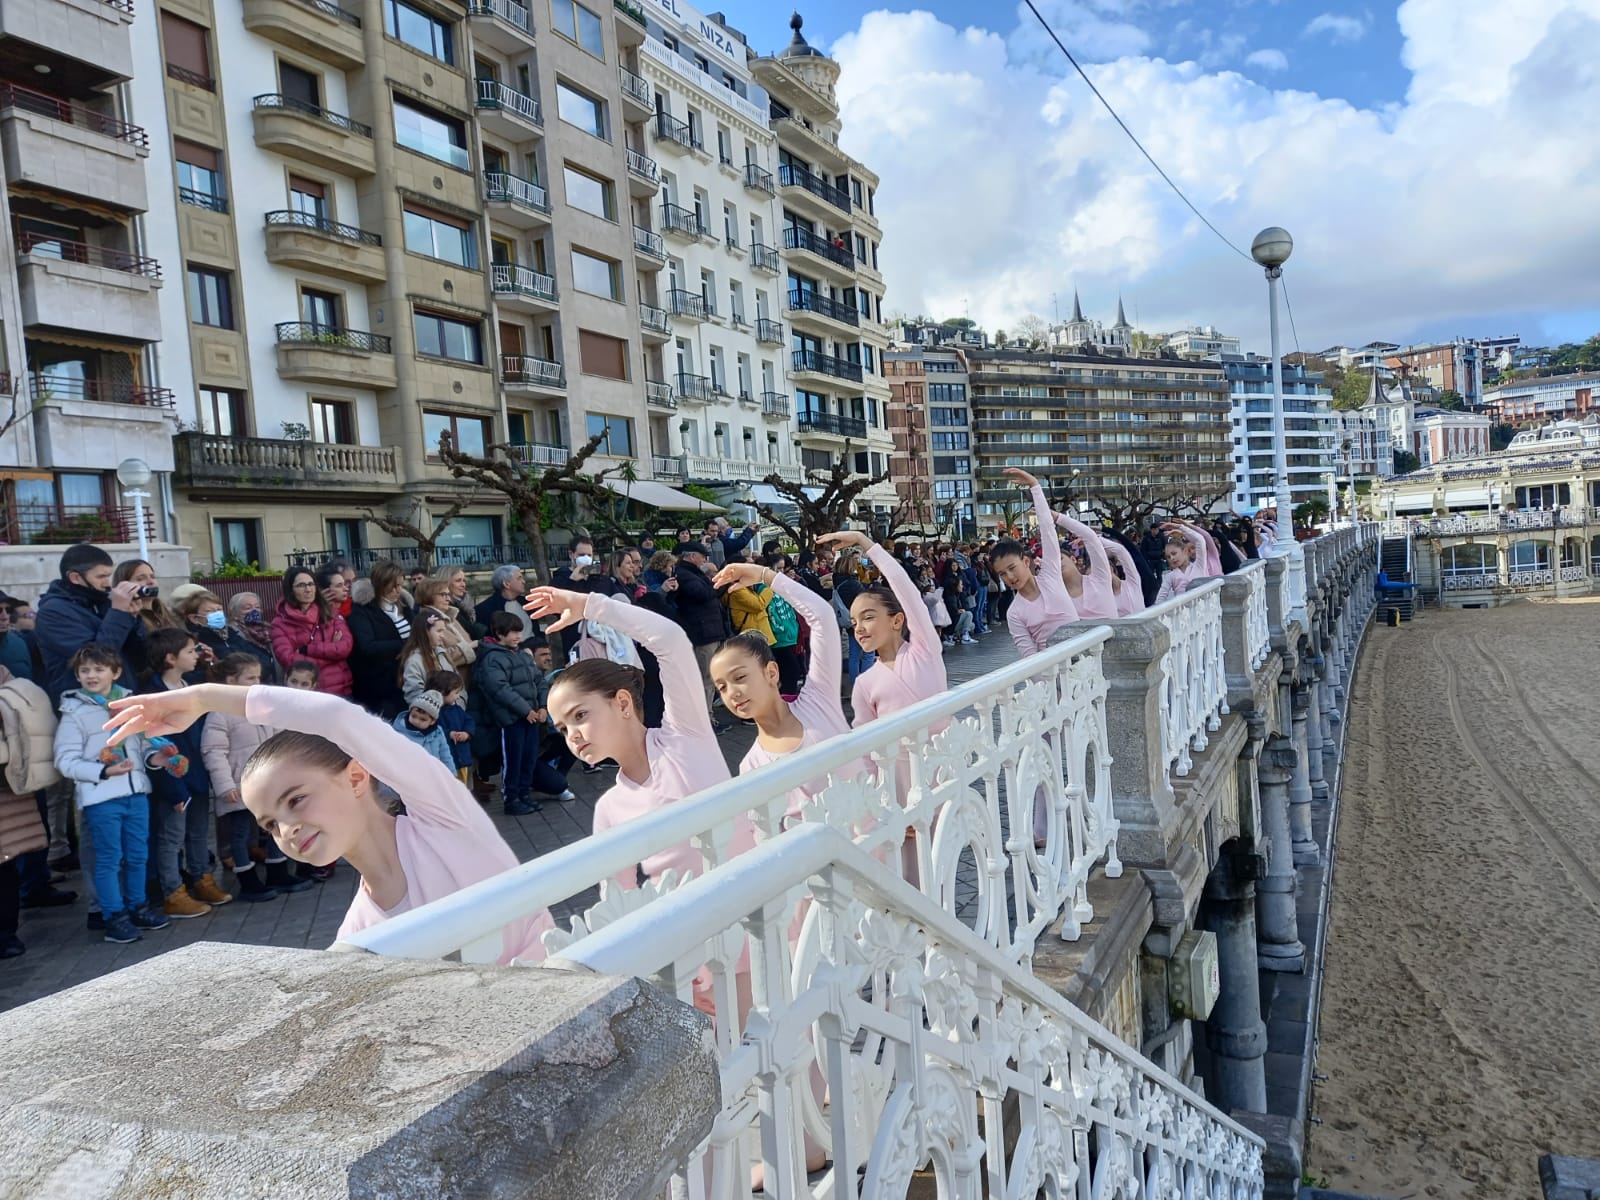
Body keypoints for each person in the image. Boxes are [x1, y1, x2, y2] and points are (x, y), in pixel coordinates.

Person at [106, 682, 556, 964]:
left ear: (357, 777)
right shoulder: (357, 933)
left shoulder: (445, 820)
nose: (287, 830)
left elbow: (337, 718)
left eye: (296, 800)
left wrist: (203, 698)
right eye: (270, 824)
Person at [532, 587, 757, 912]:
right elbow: (617, 898)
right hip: (691, 933)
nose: (573, 735)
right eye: (563, 729)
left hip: (763, 918)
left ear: (623, 702)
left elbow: (671, 641)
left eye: (580, 715)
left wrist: (589, 605)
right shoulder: (609, 809)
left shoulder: (684, 737)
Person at [711, 562, 857, 822]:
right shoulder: (751, 765)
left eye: (740, 677)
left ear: (771, 672)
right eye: (721, 687)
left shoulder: (818, 701)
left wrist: (765, 575)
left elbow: (822, 617)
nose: (732, 692)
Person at [53, 644, 175, 944]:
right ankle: (114, 916)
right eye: (84, 670)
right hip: (101, 798)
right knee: (109, 859)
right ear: (77, 676)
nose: (91, 675)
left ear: (116, 672)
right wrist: (104, 771)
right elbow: (65, 761)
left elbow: (141, 746)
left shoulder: (130, 705)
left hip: (136, 793)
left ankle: (138, 907)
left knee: (138, 855)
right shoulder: (74, 711)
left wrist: (156, 759)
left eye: (99, 669)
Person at [200, 653, 311, 902]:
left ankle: (277, 871)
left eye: (258, 677)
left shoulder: (261, 707)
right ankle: (247, 879)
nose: (257, 682)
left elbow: (279, 739)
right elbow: (214, 751)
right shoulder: (219, 713)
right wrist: (225, 786)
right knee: (240, 833)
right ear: (231, 681)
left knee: (274, 825)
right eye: (250, 678)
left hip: (268, 783)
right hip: (238, 785)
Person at [143, 627, 227, 917]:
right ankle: (173, 892)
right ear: (170, 658)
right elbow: (159, 746)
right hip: (174, 780)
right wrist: (174, 787)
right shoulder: (154, 697)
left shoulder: (192, 685)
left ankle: (202, 877)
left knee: (199, 832)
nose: (195, 656)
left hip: (198, 774)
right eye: (190, 651)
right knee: (172, 836)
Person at [36, 543, 145, 705]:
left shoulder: (99, 602)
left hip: (118, 695)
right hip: (83, 704)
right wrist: (119, 613)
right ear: (75, 578)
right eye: (101, 577)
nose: (107, 583)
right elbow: (94, 658)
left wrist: (133, 619)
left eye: (108, 576)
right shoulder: (53, 612)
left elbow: (137, 656)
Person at [477, 613, 558, 816]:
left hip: (532, 717)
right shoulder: (492, 658)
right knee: (513, 760)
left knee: (529, 758)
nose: (517, 636)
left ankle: (524, 795)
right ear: (499, 633)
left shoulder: (522, 655)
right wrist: (525, 710)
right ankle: (511, 798)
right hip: (511, 720)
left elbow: (539, 681)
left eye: (518, 631)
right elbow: (500, 689)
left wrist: (542, 706)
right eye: (512, 632)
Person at [992, 469, 1077, 657]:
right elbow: (1029, 657)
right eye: (1002, 574)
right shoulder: (1014, 613)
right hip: (1053, 671)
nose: (1010, 577)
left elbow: (1048, 532)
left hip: (1086, 662)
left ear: (1025, 561)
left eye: (1012, 568)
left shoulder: (1050, 577)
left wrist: (1035, 486)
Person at [669, 542, 732, 730]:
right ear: (692, 556)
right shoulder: (685, 574)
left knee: (709, 678)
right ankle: (705, 721)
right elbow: (703, 594)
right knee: (705, 679)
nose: (704, 560)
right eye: (702, 556)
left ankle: (707, 718)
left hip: (709, 631)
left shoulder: (692, 574)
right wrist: (721, 583)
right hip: (702, 633)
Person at [271, 566, 353, 696]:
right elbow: (289, 660)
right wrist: (331, 655)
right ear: (290, 589)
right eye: (301, 585)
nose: (308, 589)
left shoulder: (331, 613)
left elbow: (345, 647)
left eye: (311, 584)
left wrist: (306, 650)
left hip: (340, 689)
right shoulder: (280, 623)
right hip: (307, 693)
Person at [1052, 511, 1118, 620]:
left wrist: (1058, 517)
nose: (1058, 565)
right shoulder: (1057, 599)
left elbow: (1091, 538)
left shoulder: (1099, 578)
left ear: (1073, 559)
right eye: (1053, 564)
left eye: (1060, 559)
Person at [412, 579, 477, 674]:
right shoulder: (428, 622)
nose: (448, 599)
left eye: (448, 594)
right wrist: (470, 646)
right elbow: (437, 658)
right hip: (450, 679)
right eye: (443, 594)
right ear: (428, 595)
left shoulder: (450, 617)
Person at [426, 669, 476, 787]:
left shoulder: (456, 709)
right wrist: (449, 734)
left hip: (462, 758)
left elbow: (469, 720)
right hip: (445, 760)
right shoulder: (433, 712)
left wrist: (467, 733)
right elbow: (433, 730)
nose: (458, 697)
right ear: (443, 692)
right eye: (456, 693)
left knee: (464, 787)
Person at [391, 689, 456, 776]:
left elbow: (445, 755)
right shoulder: (399, 730)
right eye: (413, 716)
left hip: (431, 776)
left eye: (422, 719)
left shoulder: (438, 733)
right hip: (405, 776)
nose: (416, 721)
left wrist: (451, 776)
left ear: (432, 721)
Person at [1153, 521, 1216, 603]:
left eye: (1174, 553)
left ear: (1185, 550)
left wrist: (1180, 527)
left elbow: (1200, 540)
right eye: (1168, 557)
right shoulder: (1170, 576)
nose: (1172, 558)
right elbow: (1160, 598)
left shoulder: (1199, 565)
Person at [223, 591, 278, 683]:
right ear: (234, 612)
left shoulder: (269, 629)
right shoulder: (231, 632)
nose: (254, 611)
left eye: (257, 607)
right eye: (247, 608)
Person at [475, 564, 532, 638]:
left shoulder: (527, 602)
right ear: (506, 584)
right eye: (519, 578)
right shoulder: (485, 609)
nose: (523, 582)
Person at [435, 567, 485, 640]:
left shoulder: (465, 603)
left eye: (464, 581)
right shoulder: (447, 608)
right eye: (458, 581)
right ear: (446, 583)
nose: (463, 584)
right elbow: (471, 632)